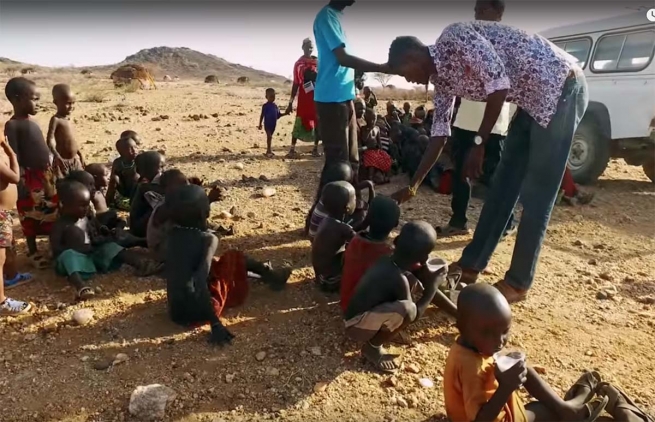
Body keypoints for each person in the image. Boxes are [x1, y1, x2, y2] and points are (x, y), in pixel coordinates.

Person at [388, 20, 589, 303]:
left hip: (561, 85)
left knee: (537, 195)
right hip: (532, 100)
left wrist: (479, 144)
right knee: (503, 186)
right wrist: (414, 185)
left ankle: (518, 283)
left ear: (411, 57)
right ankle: (471, 264)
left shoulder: (455, 37)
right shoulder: (442, 78)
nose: (406, 80)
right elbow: (439, 133)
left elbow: (498, 86)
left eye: (402, 72)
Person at [445, 283, 608, 422]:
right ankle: (569, 413)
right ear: (461, 326)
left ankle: (567, 408)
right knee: (542, 410)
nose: (499, 341)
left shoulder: (469, 347)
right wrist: (506, 387)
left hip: (490, 410)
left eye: (504, 331)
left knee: (524, 370)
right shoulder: (469, 367)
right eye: (488, 333)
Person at [164, 184, 291, 345]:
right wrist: (215, 323)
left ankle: (266, 273)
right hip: (200, 312)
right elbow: (199, 281)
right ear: (206, 213)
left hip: (176, 313)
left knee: (216, 263)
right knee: (234, 257)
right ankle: (271, 275)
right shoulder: (208, 240)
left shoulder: (172, 235)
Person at [435, 0, 516, 238]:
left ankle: (507, 222)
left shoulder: (507, 42)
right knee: (461, 173)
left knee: (493, 177)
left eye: (484, 10)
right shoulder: (469, 40)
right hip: (465, 121)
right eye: (476, 10)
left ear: (499, 13)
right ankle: (458, 221)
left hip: (494, 123)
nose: (478, 14)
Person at [344, 221, 454, 372]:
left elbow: (415, 281)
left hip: (357, 313)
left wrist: (457, 313)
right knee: (407, 309)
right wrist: (433, 286)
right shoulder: (398, 278)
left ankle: (457, 314)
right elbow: (413, 315)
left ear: (396, 241)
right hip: (355, 325)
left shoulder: (388, 259)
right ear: (422, 259)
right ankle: (372, 347)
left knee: (415, 283)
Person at [312, 0, 388, 200]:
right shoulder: (327, 17)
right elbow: (343, 58)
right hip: (331, 99)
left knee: (352, 161)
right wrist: (381, 67)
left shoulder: (338, 18)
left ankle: (349, 213)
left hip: (345, 97)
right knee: (338, 166)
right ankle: (321, 219)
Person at [50, 181, 160, 300]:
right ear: (63, 205)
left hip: (93, 256)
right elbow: (56, 249)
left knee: (111, 247)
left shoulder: (87, 219)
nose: (85, 208)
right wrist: (76, 249)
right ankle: (80, 286)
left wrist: (104, 235)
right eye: (81, 205)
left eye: (87, 205)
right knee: (68, 256)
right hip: (77, 262)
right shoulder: (60, 225)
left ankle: (142, 264)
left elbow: (97, 233)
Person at [4, 77, 58, 269]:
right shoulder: (12, 126)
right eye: (34, 99)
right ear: (18, 99)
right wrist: (20, 185)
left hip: (45, 177)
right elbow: (15, 156)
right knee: (29, 215)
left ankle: (53, 245)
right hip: (29, 180)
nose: (38, 104)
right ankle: (33, 250)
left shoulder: (32, 122)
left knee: (51, 210)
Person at [340, 195, 399, 312]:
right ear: (396, 224)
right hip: (365, 312)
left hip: (346, 302)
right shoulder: (389, 254)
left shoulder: (356, 240)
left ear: (368, 219)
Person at [0, 138, 31, 315]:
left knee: (9, 250)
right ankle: (2, 302)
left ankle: (11, 277)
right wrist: (11, 152)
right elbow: (15, 177)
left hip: (4, 214)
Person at [305, 161, 373, 238]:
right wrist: (371, 188)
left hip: (315, 237)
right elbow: (368, 207)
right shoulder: (343, 197)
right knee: (362, 214)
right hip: (329, 243)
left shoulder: (327, 192)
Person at [311, 181, 356, 292]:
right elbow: (360, 242)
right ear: (347, 208)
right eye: (354, 199)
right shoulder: (342, 228)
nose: (356, 200)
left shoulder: (326, 221)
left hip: (319, 275)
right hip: (330, 280)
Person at [285, 38, 321, 158]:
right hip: (304, 97)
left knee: (317, 120)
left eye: (311, 47)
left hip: (316, 96)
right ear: (303, 47)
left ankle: (315, 149)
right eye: (307, 46)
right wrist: (291, 102)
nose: (310, 49)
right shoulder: (298, 64)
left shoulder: (318, 62)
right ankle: (292, 149)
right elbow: (296, 83)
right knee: (300, 119)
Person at [46, 84, 85, 179]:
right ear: (56, 102)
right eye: (68, 103)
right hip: (62, 161)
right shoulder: (56, 119)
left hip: (75, 160)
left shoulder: (69, 119)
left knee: (80, 181)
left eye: (73, 103)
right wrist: (57, 156)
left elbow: (73, 140)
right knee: (64, 186)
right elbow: (50, 140)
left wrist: (80, 154)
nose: (71, 106)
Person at [129, 151, 164, 238]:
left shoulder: (151, 183)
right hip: (140, 228)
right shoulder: (143, 187)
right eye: (161, 167)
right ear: (143, 171)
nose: (163, 170)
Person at [106, 136, 139, 210]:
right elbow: (112, 181)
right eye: (130, 149)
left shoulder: (139, 160)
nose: (134, 150)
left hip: (138, 193)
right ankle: (108, 202)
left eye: (135, 147)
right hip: (124, 195)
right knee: (114, 178)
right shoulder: (118, 163)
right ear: (121, 152)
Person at [360, 108, 392, 184]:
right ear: (366, 119)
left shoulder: (377, 128)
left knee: (386, 157)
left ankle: (386, 175)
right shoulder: (363, 129)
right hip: (367, 150)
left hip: (376, 150)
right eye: (371, 119)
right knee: (372, 160)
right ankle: (370, 178)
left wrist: (381, 149)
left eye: (374, 119)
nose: (373, 121)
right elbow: (364, 140)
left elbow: (379, 141)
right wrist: (369, 130)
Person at [258, 88, 289, 158]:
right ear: (266, 97)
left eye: (274, 96)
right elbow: (262, 115)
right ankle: (268, 150)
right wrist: (260, 124)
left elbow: (278, 116)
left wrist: (285, 114)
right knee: (269, 136)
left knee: (270, 137)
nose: (272, 98)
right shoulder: (265, 106)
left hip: (273, 125)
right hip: (267, 124)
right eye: (271, 96)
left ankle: (269, 150)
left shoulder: (275, 106)